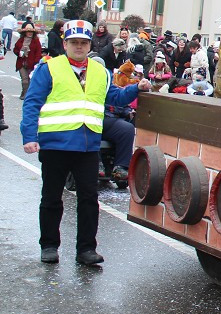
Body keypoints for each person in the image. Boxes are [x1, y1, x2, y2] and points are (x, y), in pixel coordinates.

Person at [21, 20, 151, 265]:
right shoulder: (50, 68)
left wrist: (136, 89)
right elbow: (32, 103)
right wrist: (29, 136)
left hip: (88, 145)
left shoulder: (99, 71)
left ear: (89, 44)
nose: (79, 47)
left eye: (83, 42)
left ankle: (86, 250)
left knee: (89, 200)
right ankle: (49, 246)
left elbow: (114, 97)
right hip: (55, 144)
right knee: (51, 199)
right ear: (65, 43)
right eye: (74, 42)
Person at [13, 21, 43, 99]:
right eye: (28, 31)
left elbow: (38, 52)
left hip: (31, 63)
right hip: (21, 63)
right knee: (25, 80)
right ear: (25, 32)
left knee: (30, 80)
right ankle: (25, 94)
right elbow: (15, 49)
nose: (29, 33)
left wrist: (36, 62)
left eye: (31, 32)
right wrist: (18, 52)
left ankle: (27, 93)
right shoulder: (21, 40)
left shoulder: (36, 41)